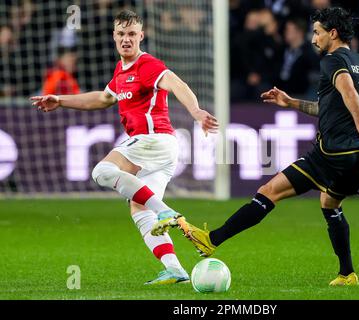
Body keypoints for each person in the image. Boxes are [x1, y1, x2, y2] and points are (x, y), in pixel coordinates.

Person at [153, 7, 359, 286]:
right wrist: (290, 103)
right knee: (330, 204)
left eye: (317, 32)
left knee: (268, 192)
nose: (313, 39)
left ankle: (211, 240)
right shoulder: (358, 59)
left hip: (332, 154)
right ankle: (347, 274)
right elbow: (331, 108)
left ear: (333, 33)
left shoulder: (332, 60)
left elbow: (348, 91)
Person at [30, 10, 218, 285]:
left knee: (102, 171)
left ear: (141, 36)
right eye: (121, 34)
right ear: (114, 37)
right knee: (139, 209)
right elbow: (103, 98)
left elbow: (177, 84)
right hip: (162, 150)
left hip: (152, 140)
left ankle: (165, 211)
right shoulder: (121, 70)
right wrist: (60, 99)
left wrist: (196, 111)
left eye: (132, 34)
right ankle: (175, 269)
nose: (126, 39)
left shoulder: (147, 65)